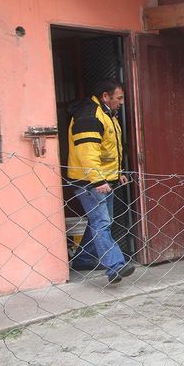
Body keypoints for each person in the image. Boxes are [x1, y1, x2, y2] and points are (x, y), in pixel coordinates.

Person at [67, 78, 135, 285]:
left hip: (104, 179)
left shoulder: (107, 114)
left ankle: (82, 259)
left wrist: (118, 172)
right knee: (102, 222)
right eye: (119, 98)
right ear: (105, 96)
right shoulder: (90, 115)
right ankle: (115, 266)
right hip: (89, 182)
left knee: (101, 221)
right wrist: (97, 180)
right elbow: (88, 153)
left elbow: (109, 148)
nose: (122, 102)